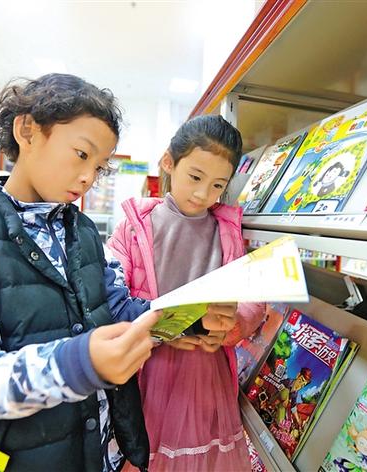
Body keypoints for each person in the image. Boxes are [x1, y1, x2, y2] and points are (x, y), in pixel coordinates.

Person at [0, 73, 159, 471]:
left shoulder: (83, 231)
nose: (88, 177)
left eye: (99, 167)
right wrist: (78, 364)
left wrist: (189, 317)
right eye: (81, 154)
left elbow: (114, 307)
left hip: (92, 452)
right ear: (27, 130)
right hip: (7, 458)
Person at [107, 115, 265, 470]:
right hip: (149, 371)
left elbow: (254, 299)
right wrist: (168, 328)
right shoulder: (132, 229)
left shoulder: (228, 230)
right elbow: (113, 304)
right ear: (169, 162)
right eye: (195, 177)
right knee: (147, 455)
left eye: (217, 185)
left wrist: (232, 324)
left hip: (208, 373)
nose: (203, 194)